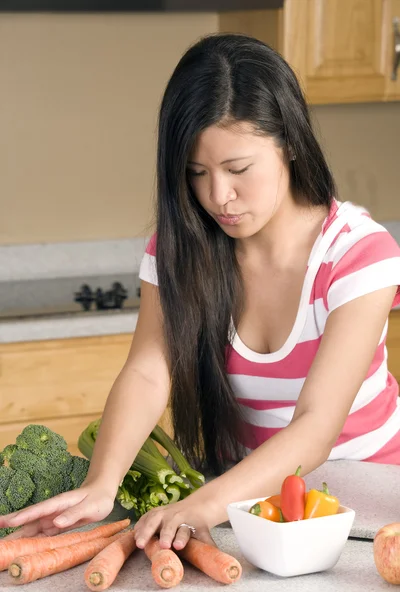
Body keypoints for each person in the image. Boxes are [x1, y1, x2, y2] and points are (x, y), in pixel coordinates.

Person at [1, 33, 400, 551]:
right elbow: (148, 371)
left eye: (238, 170)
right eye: (196, 173)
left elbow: (316, 425)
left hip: (364, 507)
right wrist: (102, 483)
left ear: (292, 144)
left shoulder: (358, 256)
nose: (217, 196)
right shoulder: (182, 248)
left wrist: (203, 505)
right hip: (246, 499)